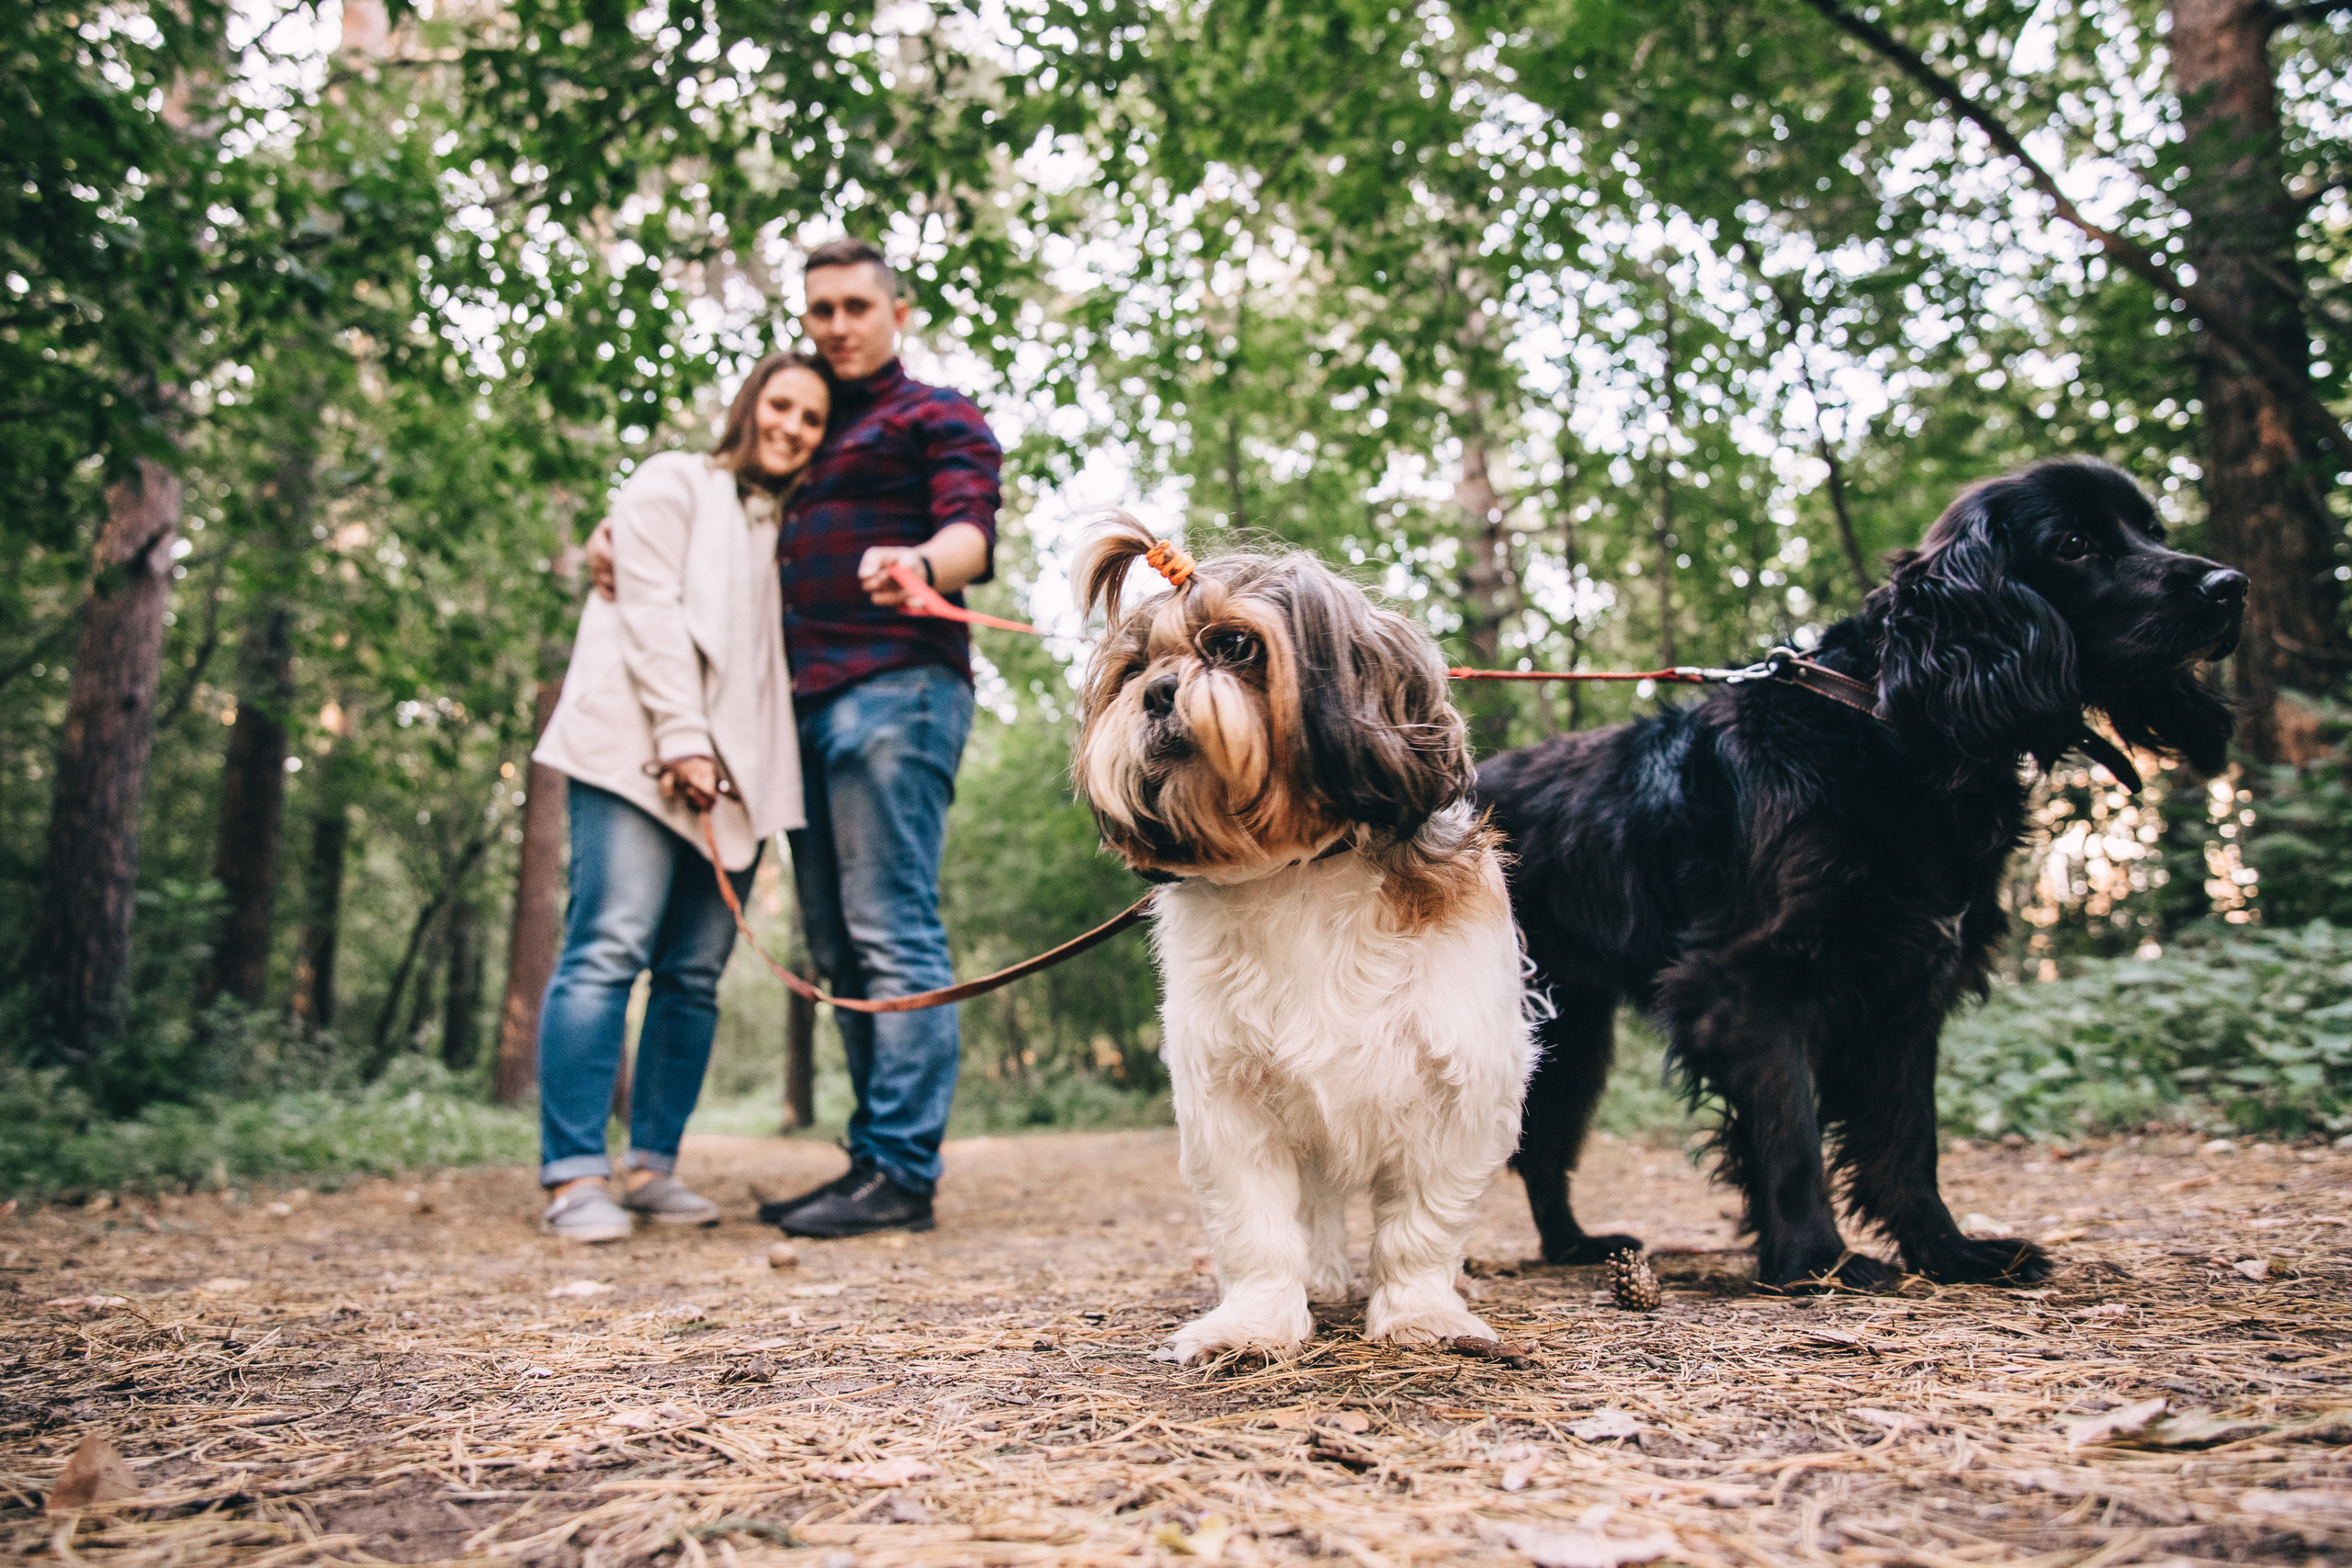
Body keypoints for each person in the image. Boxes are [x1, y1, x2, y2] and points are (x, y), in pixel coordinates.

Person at [589, 238, 1002, 1238]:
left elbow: (970, 533)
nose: (839, 325)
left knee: (891, 932)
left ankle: (903, 1170)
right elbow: (711, 510)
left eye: (858, 306)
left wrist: (921, 562)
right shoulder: (805, 433)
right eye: (821, 310)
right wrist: (614, 530)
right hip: (795, 717)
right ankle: (872, 1163)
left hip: (894, 696)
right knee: (837, 948)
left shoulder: (934, 413)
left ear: (896, 313)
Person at [529, 352, 830, 1244]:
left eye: (812, 419)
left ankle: (653, 1165)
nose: (792, 427)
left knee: (693, 976)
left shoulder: (791, 530)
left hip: (739, 775)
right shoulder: (672, 482)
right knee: (607, 946)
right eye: (781, 405)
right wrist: (683, 738)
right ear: (750, 406)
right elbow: (648, 610)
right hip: (637, 750)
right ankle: (573, 1175)